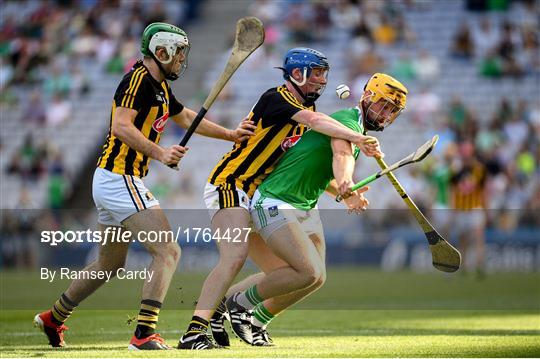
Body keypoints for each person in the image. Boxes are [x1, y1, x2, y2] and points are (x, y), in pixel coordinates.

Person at [33, 22, 255, 350]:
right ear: (160, 51)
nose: (182, 59)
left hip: (113, 180)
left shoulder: (160, 85)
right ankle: (144, 333)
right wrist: (161, 152)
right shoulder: (136, 81)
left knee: (109, 264)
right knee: (168, 251)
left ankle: (54, 317)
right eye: (178, 52)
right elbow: (120, 126)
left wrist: (230, 134)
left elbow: (183, 117)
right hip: (119, 177)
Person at [178, 48, 383, 350]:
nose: (321, 81)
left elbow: (291, 162)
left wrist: (340, 191)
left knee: (294, 273)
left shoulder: (302, 111)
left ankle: (223, 306)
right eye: (315, 73)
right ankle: (194, 332)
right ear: (296, 74)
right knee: (234, 256)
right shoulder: (276, 98)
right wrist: (358, 137)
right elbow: (317, 122)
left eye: (324, 74)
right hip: (232, 184)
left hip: (259, 192)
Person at [220, 73, 408, 346]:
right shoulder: (346, 121)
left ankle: (253, 318)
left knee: (315, 278)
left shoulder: (358, 131)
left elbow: (320, 170)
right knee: (306, 271)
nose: (386, 113)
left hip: (305, 205)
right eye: (383, 104)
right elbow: (341, 155)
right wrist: (346, 181)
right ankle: (239, 304)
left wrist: (346, 193)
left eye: (393, 110)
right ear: (367, 97)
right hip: (275, 199)